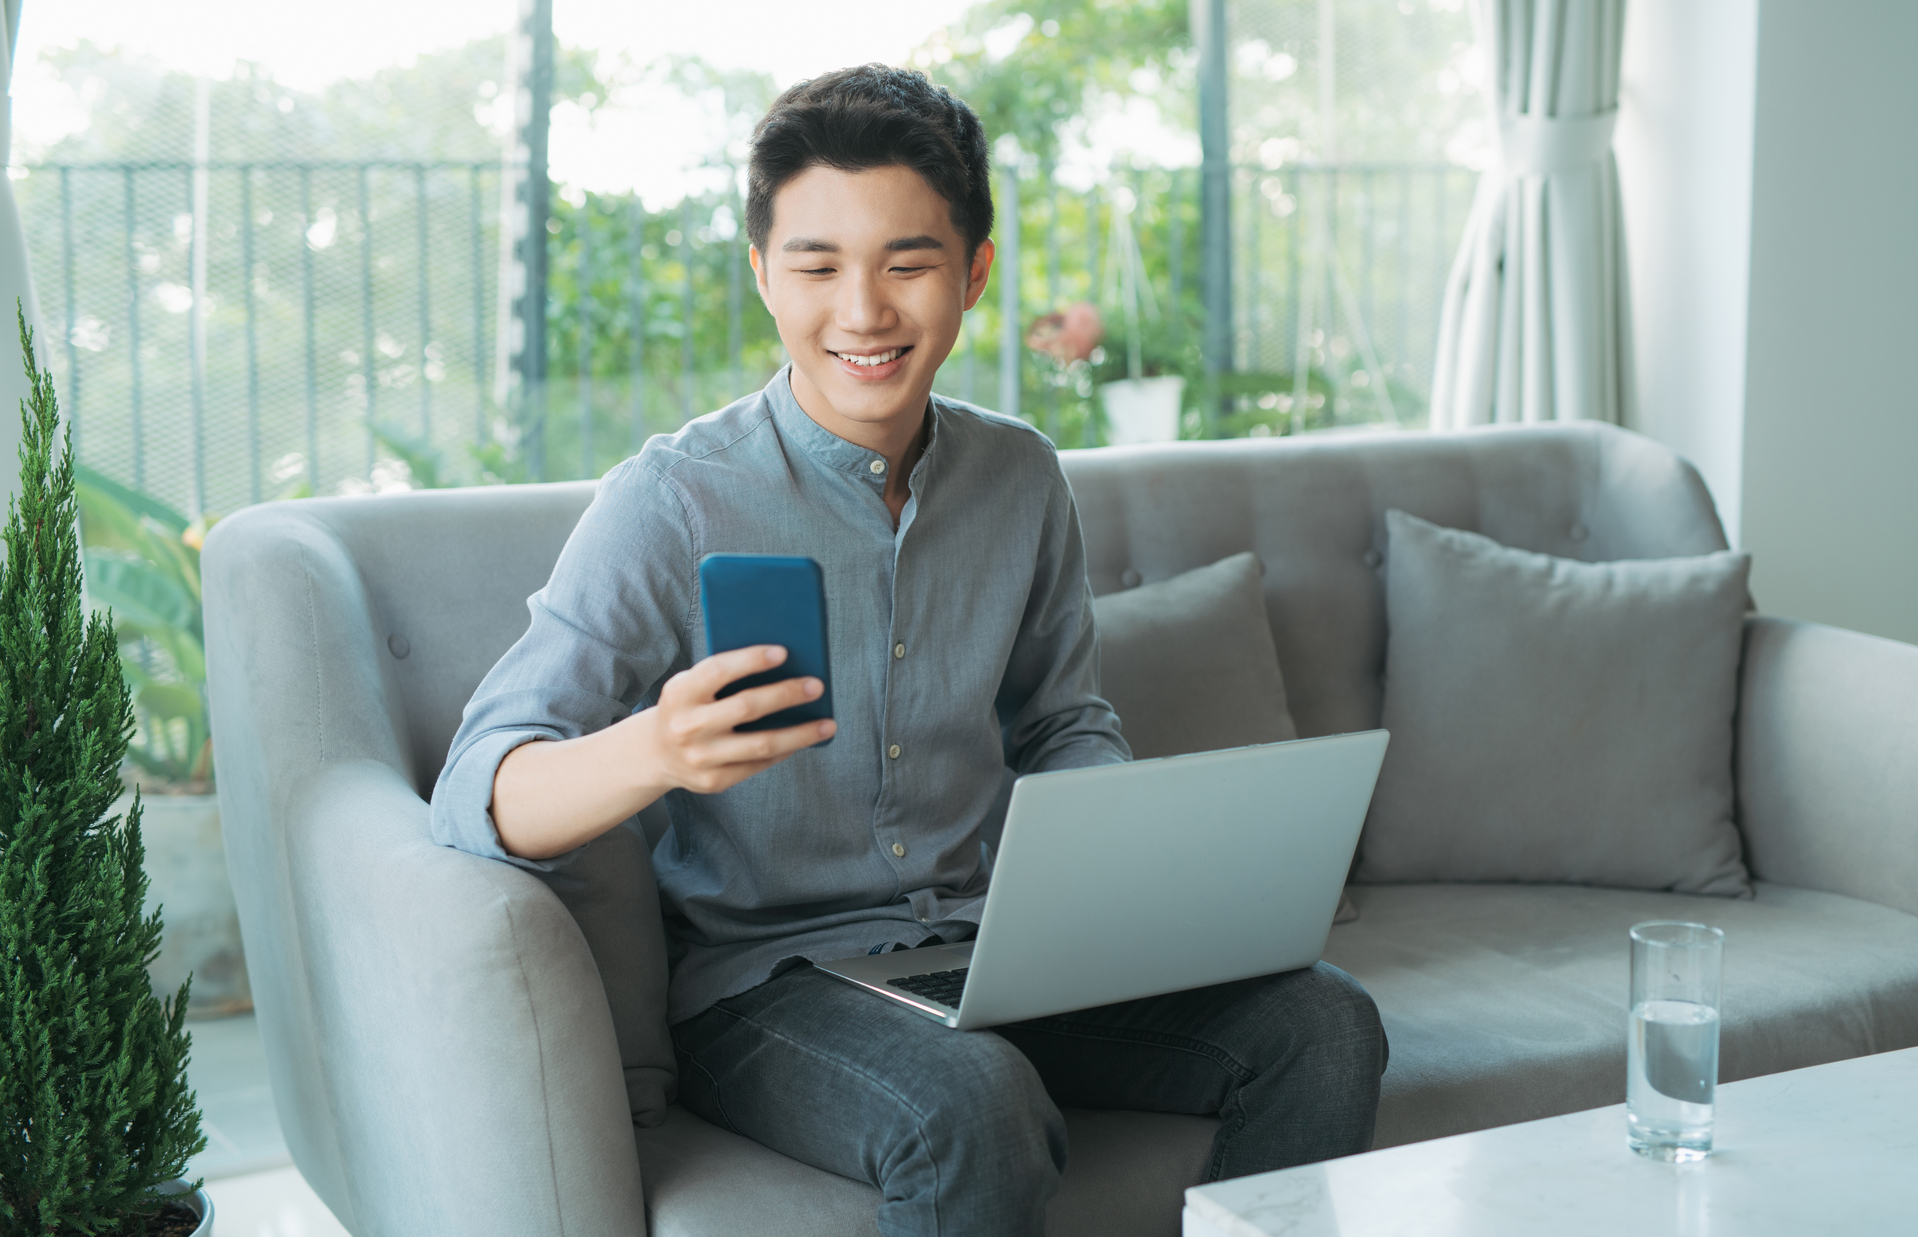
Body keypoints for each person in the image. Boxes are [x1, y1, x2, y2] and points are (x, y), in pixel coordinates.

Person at [432, 64, 1386, 1237]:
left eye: (907, 262)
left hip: (997, 953)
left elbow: (1059, 721)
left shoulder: (1019, 477)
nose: (863, 311)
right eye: (816, 265)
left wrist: (1127, 872)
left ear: (974, 272)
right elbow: (475, 794)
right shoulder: (671, 502)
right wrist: (655, 748)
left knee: (1323, 1022)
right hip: (766, 990)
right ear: (762, 277)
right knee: (968, 1105)